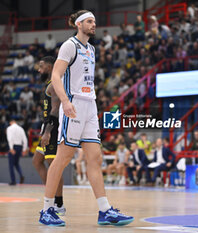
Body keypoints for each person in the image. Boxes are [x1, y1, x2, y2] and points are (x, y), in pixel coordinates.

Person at [39, 10, 133, 227]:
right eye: (89, 21)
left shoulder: (91, 49)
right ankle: (46, 210)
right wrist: (64, 101)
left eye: (94, 21)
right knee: (63, 157)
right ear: (79, 24)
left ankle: (105, 210)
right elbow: (55, 76)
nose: (94, 24)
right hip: (73, 104)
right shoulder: (69, 45)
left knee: (95, 158)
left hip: (90, 105)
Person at [32, 56, 65, 215]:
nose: (39, 70)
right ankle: (50, 195)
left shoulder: (54, 83)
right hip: (47, 127)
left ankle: (58, 204)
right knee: (37, 161)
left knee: (54, 168)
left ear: (51, 67)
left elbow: (55, 110)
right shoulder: (49, 83)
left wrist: (47, 132)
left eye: (42, 66)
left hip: (53, 128)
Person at [6, 119, 28, 185]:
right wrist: (24, 149)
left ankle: (13, 181)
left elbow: (10, 138)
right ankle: (21, 175)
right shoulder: (21, 129)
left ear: (11, 122)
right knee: (16, 163)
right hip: (19, 147)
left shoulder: (9, 128)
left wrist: (11, 148)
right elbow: (25, 139)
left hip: (13, 146)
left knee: (11, 165)